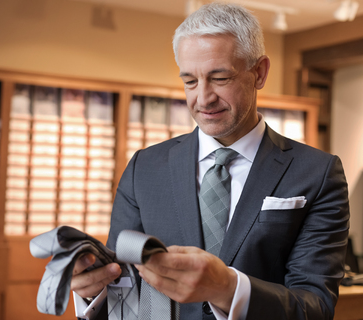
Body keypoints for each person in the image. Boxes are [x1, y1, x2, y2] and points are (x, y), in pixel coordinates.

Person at [71, 3, 350, 320]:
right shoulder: (144, 168)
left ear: (259, 73)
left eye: (219, 78)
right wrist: (95, 290)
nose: (203, 99)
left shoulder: (317, 172)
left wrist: (227, 288)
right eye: (190, 81)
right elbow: (126, 292)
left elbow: (314, 307)